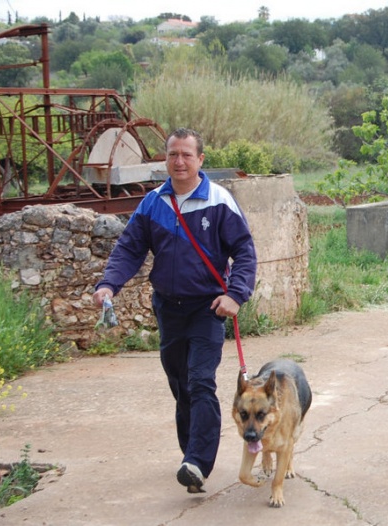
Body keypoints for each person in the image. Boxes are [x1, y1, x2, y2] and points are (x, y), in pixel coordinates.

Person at [92, 128, 257, 493]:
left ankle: (198, 461)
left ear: (200, 160)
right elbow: (129, 249)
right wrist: (108, 284)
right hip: (168, 308)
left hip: (207, 308)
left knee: (200, 381)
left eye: (186, 154)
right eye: (172, 155)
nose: (178, 161)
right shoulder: (153, 203)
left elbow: (244, 251)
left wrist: (235, 295)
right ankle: (191, 458)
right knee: (181, 385)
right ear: (164, 159)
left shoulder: (219, 201)